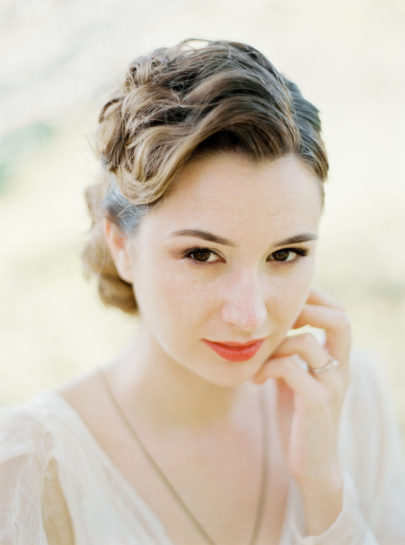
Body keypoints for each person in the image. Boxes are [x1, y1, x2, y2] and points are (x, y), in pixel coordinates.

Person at [1, 39, 404, 545]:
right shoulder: (30, 466)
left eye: (285, 255)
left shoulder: (350, 400)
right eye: (201, 255)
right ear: (121, 244)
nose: (249, 314)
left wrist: (323, 486)